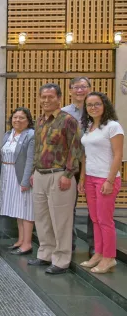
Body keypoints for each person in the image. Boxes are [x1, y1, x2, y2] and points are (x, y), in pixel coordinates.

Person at [28, 83, 83, 275]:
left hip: (60, 175)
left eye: (50, 97)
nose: (46, 100)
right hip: (40, 175)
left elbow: (75, 149)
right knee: (42, 219)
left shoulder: (68, 120)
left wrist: (69, 174)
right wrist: (34, 172)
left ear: (59, 98)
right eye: (43, 97)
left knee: (61, 220)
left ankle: (61, 260)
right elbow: (37, 148)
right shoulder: (40, 121)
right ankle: (45, 253)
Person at [78, 92, 124, 274]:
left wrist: (110, 180)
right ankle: (98, 253)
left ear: (105, 105)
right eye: (89, 105)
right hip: (90, 177)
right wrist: (82, 178)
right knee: (95, 219)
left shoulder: (113, 126)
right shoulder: (89, 126)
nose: (93, 107)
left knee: (105, 220)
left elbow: (118, 155)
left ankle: (109, 257)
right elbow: (85, 155)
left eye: (97, 104)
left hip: (106, 178)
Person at [0, 107, 35, 255]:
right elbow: (1, 158)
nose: (17, 120)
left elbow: (31, 159)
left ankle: (27, 244)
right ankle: (20, 240)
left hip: (21, 176)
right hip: (8, 175)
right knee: (17, 210)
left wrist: (25, 181)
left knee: (26, 210)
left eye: (21, 118)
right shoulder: (8, 134)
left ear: (28, 120)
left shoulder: (30, 135)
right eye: (15, 117)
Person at [62, 77, 94, 256]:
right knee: (68, 205)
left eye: (84, 87)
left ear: (90, 88)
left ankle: (94, 245)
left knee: (94, 206)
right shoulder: (63, 112)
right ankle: (69, 242)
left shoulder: (98, 109)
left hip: (94, 163)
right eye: (76, 87)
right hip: (71, 163)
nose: (80, 90)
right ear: (70, 91)